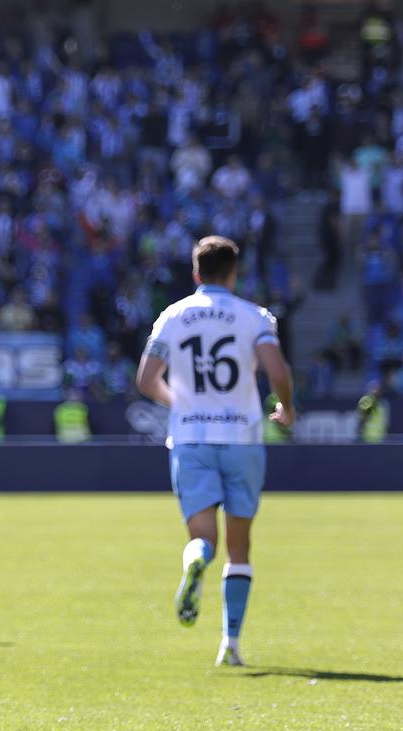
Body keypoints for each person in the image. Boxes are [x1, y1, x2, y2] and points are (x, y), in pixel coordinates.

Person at [136, 236, 295, 668]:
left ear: (195, 272)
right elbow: (277, 370)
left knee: (204, 537)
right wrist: (287, 407)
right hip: (241, 438)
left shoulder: (173, 315)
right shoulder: (253, 316)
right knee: (239, 548)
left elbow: (147, 378)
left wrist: (182, 401)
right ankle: (231, 643)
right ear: (234, 272)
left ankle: (196, 561)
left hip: (191, 438)